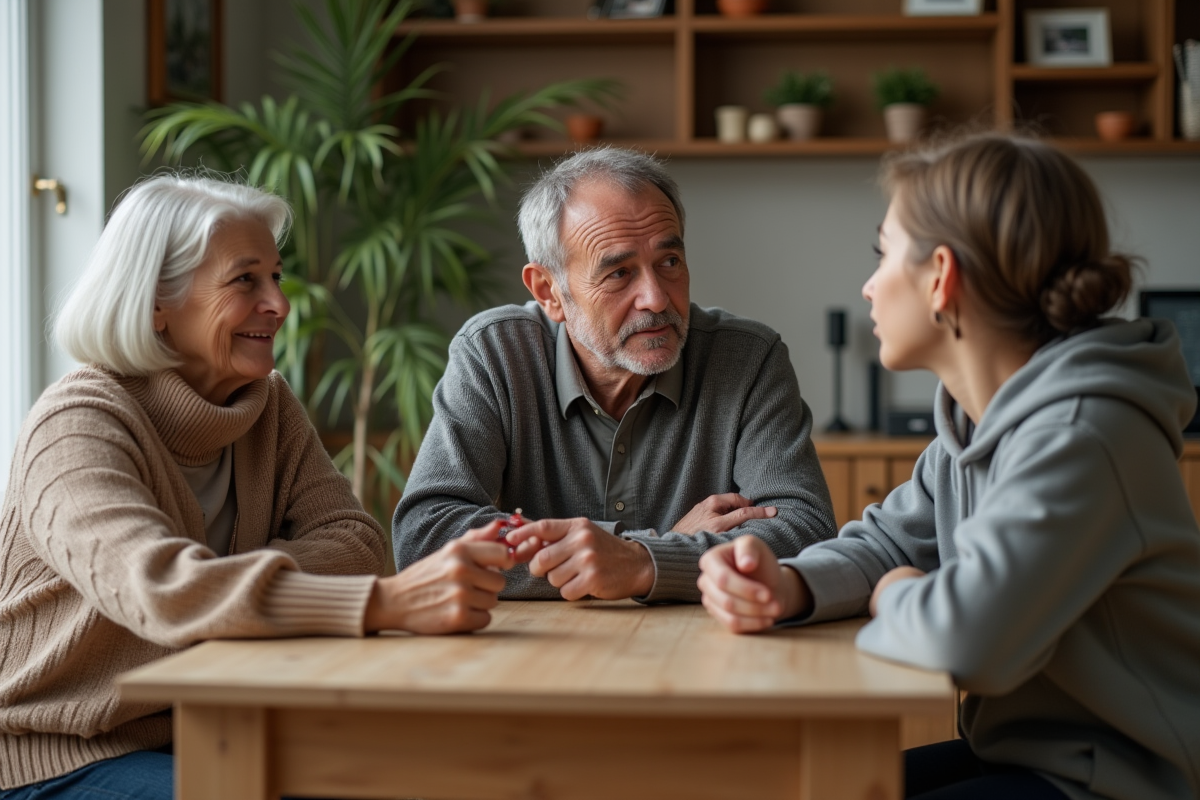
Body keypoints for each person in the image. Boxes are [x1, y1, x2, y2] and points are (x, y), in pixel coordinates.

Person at [698, 133, 1200, 800]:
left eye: (883, 254)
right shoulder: (976, 426)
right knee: (791, 787)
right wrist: (789, 584)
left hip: (1123, 779)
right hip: (1027, 752)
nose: (869, 285)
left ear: (942, 276)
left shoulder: (1084, 435)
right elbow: (886, 542)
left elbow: (967, 640)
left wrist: (891, 594)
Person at [0, 175, 518, 798]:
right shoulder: (76, 424)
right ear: (154, 303)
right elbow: (160, 589)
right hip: (58, 750)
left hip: (212, 720)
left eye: (275, 276)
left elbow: (353, 541)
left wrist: (218, 583)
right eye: (245, 280)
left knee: (429, 774)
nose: (279, 303)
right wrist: (379, 602)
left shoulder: (264, 404)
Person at [394, 147, 837, 602]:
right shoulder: (494, 353)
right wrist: (652, 546)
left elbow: (806, 531)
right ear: (550, 292)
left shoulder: (748, 359)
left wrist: (641, 560)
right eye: (620, 273)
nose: (657, 299)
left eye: (669, 263)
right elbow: (426, 535)